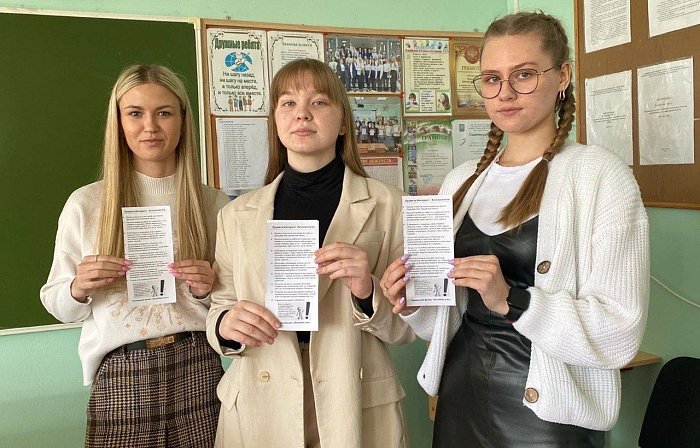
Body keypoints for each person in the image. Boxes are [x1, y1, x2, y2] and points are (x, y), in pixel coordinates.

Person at [380, 11, 649, 448]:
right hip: (460, 397)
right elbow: (443, 324)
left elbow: (620, 332)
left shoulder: (600, 176)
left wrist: (513, 300)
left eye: (523, 74)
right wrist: (414, 301)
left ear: (562, 76)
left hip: (547, 415)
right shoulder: (461, 181)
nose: (505, 92)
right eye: (491, 79)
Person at [207, 58, 415, 448]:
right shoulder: (235, 215)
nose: (302, 113)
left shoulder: (391, 206)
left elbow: (408, 328)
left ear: (343, 122)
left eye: (318, 102)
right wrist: (225, 325)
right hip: (259, 397)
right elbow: (220, 307)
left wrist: (367, 290)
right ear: (275, 120)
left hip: (353, 396)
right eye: (288, 103)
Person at [40, 64, 230, 447]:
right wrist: (78, 288)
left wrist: (208, 289)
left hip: (199, 367)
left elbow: (233, 303)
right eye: (135, 113)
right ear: (119, 122)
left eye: (164, 112)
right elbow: (58, 304)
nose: (150, 127)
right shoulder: (87, 204)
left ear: (183, 120)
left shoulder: (214, 204)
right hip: (122, 374)